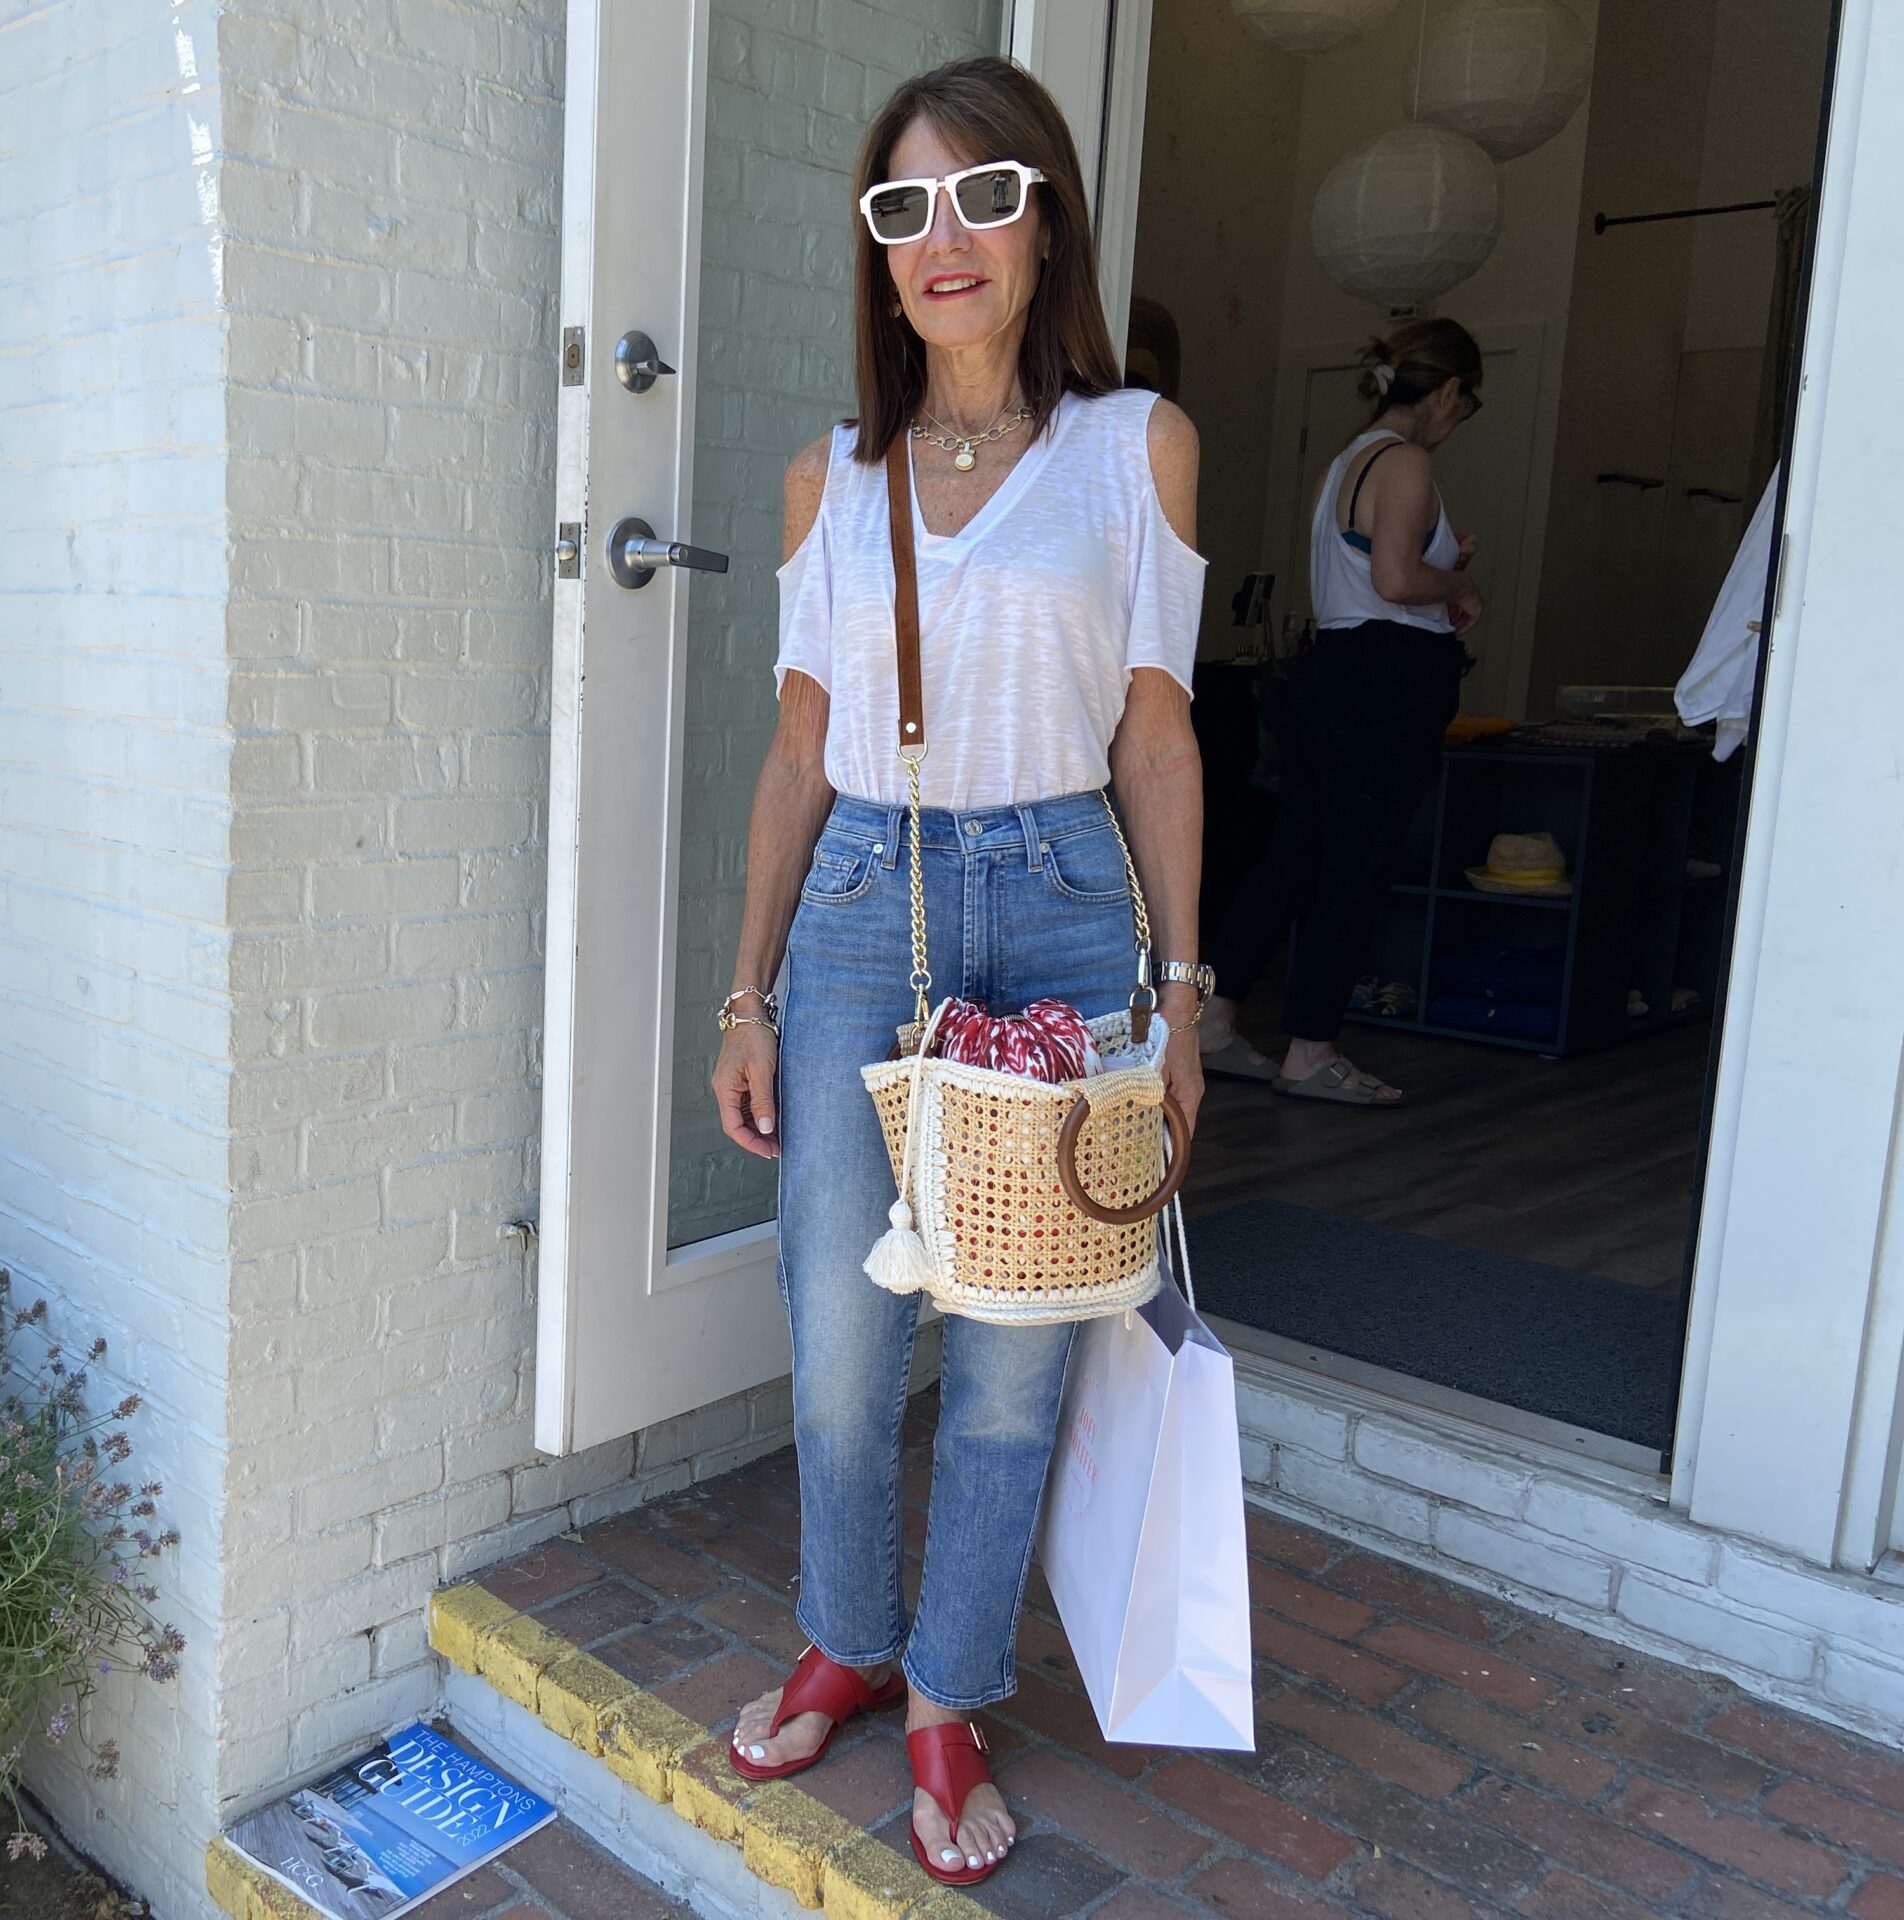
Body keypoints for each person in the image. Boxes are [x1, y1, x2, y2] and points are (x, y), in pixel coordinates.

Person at [706, 56, 1206, 1886]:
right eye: (902, 208)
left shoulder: (1131, 445)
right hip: (859, 905)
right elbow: (795, 755)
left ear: (1044, 213)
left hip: (1070, 900)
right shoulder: (826, 480)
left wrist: (1185, 986)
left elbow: (1157, 741)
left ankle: (944, 1688)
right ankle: (846, 1630)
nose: (945, 240)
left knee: (1013, 1356)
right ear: (878, 251)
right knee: (845, 1343)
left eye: (981, 195)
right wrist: (745, 991)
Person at [1200, 320, 1485, 1105]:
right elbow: (1395, 581)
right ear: (1451, 391)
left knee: (1293, 856)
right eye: (1466, 405)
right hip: (1382, 685)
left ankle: (1215, 1023)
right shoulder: (1408, 463)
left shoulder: (1345, 461)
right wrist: (1458, 587)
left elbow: (1370, 575)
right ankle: (1311, 1050)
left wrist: (1439, 577)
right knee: (1353, 868)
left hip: (1333, 674)